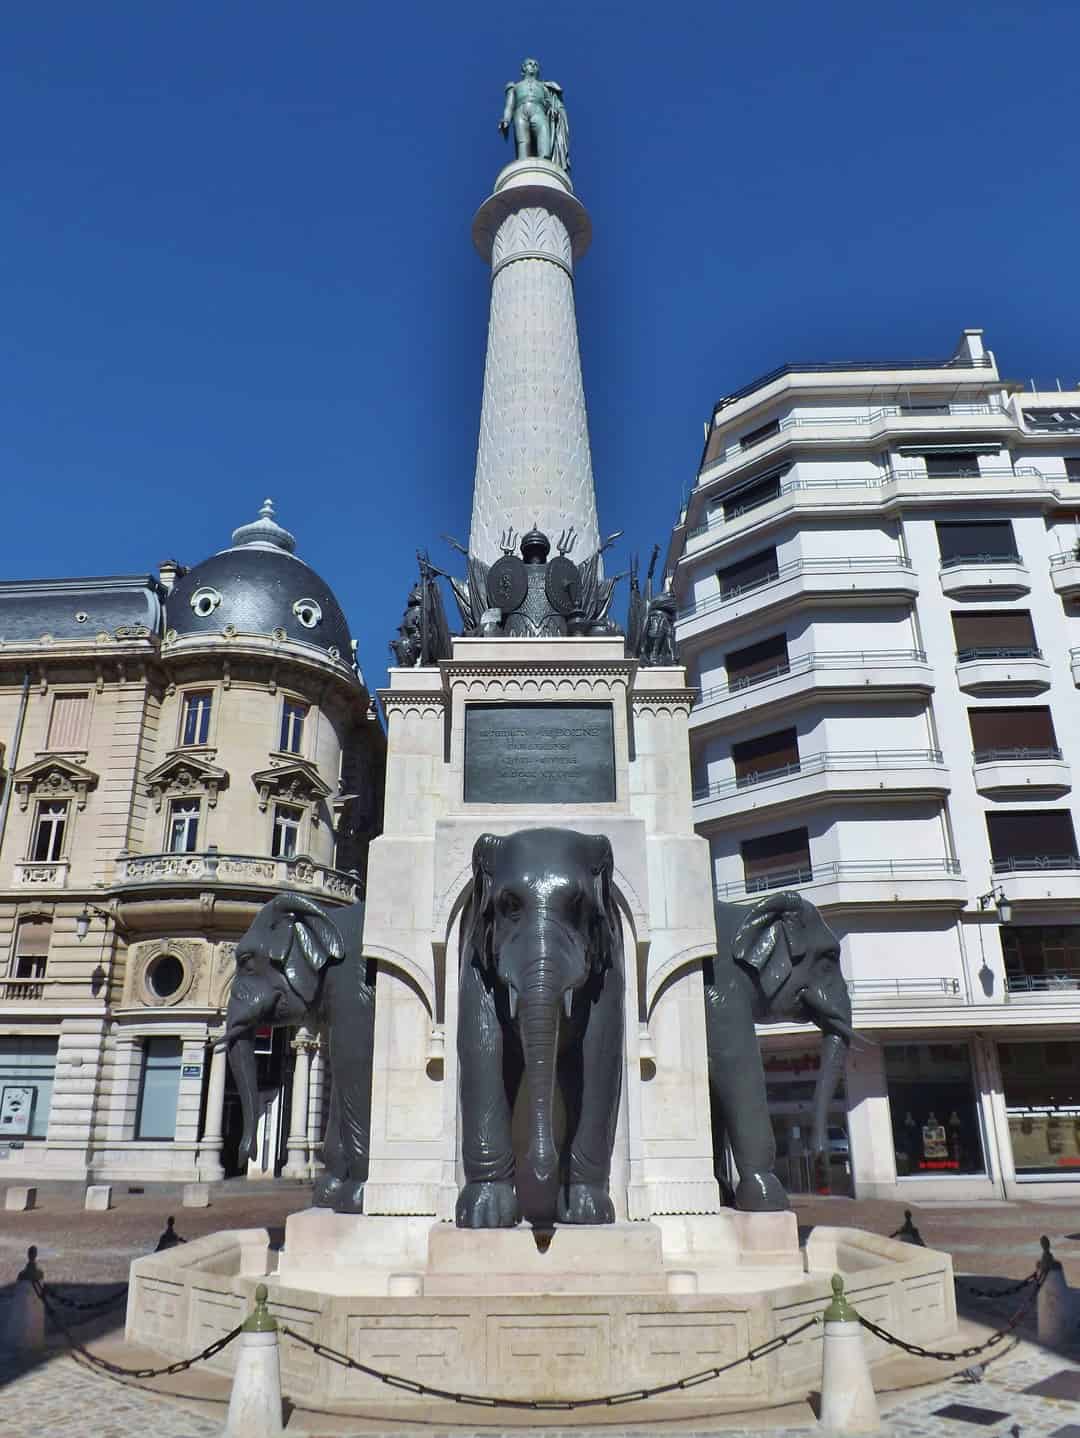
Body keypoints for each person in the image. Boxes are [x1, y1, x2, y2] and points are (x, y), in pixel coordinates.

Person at [499, 58, 570, 171]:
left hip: (538, 111)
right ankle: (523, 169)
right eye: (530, 64)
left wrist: (553, 108)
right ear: (523, 68)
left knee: (543, 137)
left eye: (536, 65)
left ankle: (545, 167)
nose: (533, 66)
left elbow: (549, 102)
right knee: (523, 142)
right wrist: (506, 120)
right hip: (520, 112)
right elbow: (509, 105)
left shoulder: (543, 86)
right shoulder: (514, 86)